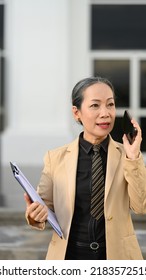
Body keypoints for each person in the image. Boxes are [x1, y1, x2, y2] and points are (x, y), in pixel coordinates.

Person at [24, 76, 146, 260]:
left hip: (116, 257)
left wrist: (134, 156)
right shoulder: (56, 158)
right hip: (70, 257)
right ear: (76, 112)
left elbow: (141, 206)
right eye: (95, 105)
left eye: (110, 104)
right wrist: (35, 215)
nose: (105, 113)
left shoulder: (127, 156)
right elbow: (44, 206)